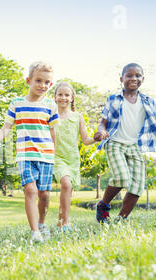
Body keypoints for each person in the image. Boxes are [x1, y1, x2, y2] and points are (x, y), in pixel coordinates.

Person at [93, 63, 156, 223]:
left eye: (137, 75)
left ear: (143, 78)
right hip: (115, 143)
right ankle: (103, 205)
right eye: (129, 75)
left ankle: (120, 221)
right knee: (121, 177)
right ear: (122, 79)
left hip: (134, 146)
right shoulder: (114, 99)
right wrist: (101, 131)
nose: (133, 78)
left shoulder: (148, 101)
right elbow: (103, 122)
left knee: (138, 185)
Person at [0, 61, 59, 243]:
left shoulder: (51, 105)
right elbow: (6, 127)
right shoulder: (17, 103)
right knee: (30, 190)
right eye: (38, 81)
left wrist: (55, 154)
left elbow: (53, 132)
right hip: (25, 155)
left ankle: (42, 223)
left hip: (46, 155)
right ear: (28, 81)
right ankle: (35, 233)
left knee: (44, 194)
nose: (43, 85)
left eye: (47, 82)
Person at [51, 82, 96, 232]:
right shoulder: (50, 116)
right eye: (60, 94)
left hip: (72, 159)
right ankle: (67, 223)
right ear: (55, 97)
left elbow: (85, 140)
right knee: (66, 185)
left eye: (67, 95)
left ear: (72, 98)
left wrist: (97, 138)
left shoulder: (78, 117)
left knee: (67, 191)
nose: (63, 97)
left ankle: (59, 222)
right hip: (57, 158)